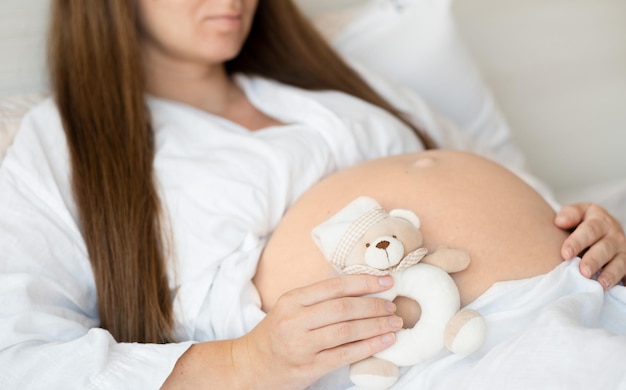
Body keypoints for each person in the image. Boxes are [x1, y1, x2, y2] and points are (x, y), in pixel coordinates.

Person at [0, 1, 624, 389]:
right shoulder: (64, 142)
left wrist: (592, 230)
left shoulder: (331, 83)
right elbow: (19, 359)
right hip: (425, 366)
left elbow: (500, 178)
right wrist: (245, 365)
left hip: (572, 297)